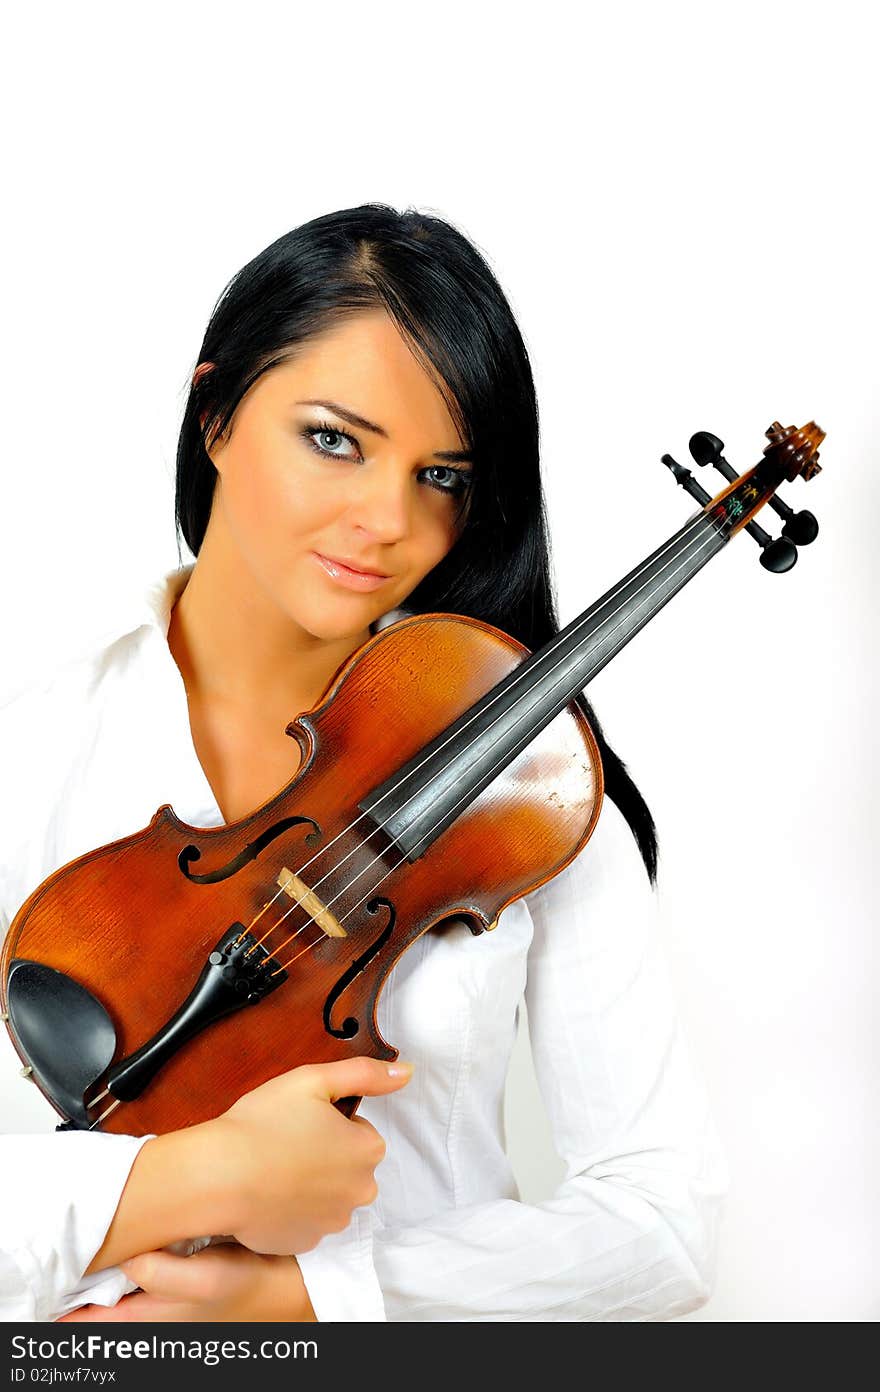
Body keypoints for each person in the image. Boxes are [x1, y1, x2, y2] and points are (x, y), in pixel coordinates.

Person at [0, 204, 727, 1323]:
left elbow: (660, 1224)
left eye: (442, 476)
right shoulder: (33, 741)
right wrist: (186, 1179)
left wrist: (312, 1302)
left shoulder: (522, 788)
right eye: (333, 439)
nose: (387, 520)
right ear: (216, 414)